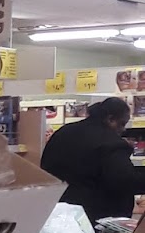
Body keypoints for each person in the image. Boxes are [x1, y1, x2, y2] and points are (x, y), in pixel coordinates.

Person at [39, 96, 145, 224]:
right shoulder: (111, 143)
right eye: (122, 123)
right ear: (110, 119)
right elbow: (124, 180)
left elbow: (45, 167)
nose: (123, 129)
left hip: (57, 212)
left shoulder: (63, 132)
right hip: (95, 217)